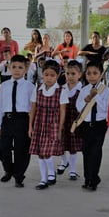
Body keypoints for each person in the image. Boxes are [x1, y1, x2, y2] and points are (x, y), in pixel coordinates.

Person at [29, 59, 68, 190]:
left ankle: (51, 173)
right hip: (39, 123)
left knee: (47, 151)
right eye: (46, 75)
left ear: (57, 76)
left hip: (53, 124)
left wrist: (60, 127)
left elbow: (63, 110)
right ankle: (43, 180)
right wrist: (30, 125)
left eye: (52, 75)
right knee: (40, 153)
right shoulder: (38, 89)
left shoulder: (61, 90)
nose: (49, 78)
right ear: (42, 75)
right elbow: (33, 108)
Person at [0, 55, 34, 188]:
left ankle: (19, 176)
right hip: (7, 119)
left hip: (22, 120)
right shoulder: (4, 85)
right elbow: (0, 106)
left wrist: (31, 125)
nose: (17, 70)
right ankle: (8, 170)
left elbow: (33, 107)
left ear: (25, 69)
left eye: (20, 67)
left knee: (21, 150)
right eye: (14, 67)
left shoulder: (30, 87)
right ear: (9, 68)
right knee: (3, 147)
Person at [76, 60, 109, 191]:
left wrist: (96, 97)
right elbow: (79, 107)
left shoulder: (106, 90)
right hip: (86, 124)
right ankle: (87, 178)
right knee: (86, 151)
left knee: (95, 152)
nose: (91, 76)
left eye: (95, 73)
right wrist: (86, 99)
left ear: (101, 74)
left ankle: (93, 178)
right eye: (89, 73)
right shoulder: (84, 90)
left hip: (99, 124)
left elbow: (106, 108)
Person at [57, 59, 83, 180]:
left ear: (80, 74)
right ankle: (64, 161)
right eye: (67, 73)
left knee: (73, 147)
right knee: (61, 144)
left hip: (75, 122)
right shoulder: (61, 89)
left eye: (73, 74)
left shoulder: (82, 90)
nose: (70, 76)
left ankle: (72, 170)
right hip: (62, 120)